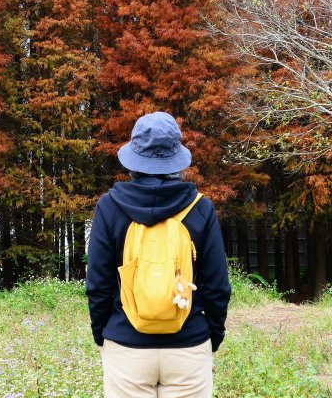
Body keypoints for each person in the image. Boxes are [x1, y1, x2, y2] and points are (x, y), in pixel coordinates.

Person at [86, 111, 231, 398]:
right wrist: (211, 338)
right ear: (176, 160)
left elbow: (98, 285)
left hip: (126, 347)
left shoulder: (109, 207)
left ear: (133, 159)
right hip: (188, 346)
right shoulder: (200, 208)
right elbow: (217, 286)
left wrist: (103, 336)